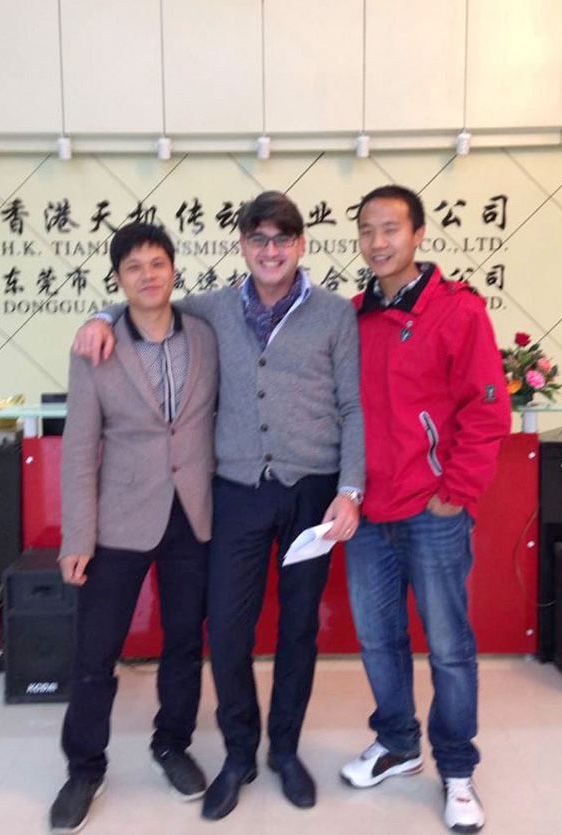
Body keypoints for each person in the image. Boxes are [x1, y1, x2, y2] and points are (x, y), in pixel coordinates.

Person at [74, 191, 365, 820]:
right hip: (234, 492)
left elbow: (353, 405)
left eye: (282, 239)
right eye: (259, 239)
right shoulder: (211, 309)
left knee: (298, 629)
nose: (270, 250)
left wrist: (350, 489)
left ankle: (284, 750)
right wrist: (99, 315)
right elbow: (147, 305)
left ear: (300, 245)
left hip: (312, 493)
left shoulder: (335, 314)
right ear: (242, 246)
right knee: (228, 632)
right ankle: (239, 753)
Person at [340, 185, 510, 834]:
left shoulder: (457, 311)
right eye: (366, 230)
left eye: (390, 228)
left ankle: (458, 770)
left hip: (432, 512)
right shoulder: (352, 316)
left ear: (417, 234)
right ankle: (397, 743)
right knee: (378, 638)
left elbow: (486, 410)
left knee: (448, 646)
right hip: (368, 513)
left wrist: (454, 492)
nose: (377, 241)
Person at [50, 223, 219, 834]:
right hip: (118, 520)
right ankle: (84, 767)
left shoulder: (205, 333)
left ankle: (171, 743)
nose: (148, 275)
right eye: (133, 267)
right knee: (96, 652)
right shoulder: (96, 347)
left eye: (157, 263)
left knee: (184, 643)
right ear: (118, 279)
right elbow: (79, 449)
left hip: (192, 514)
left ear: (174, 268)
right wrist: (77, 537)